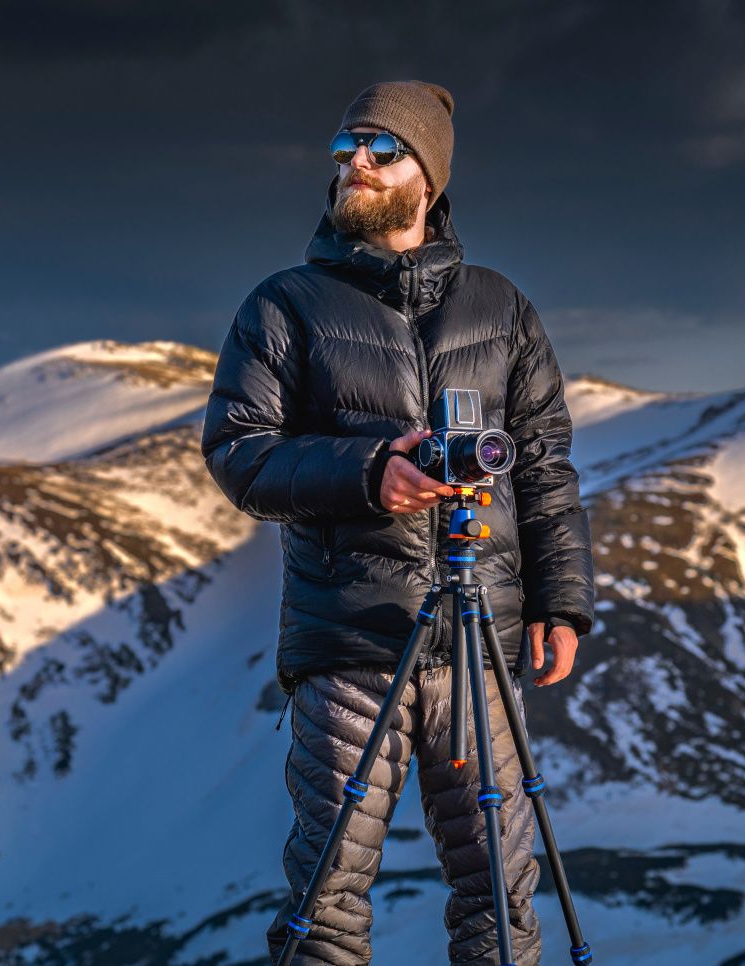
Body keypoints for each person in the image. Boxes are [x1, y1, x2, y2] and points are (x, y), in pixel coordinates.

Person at [200, 80, 594, 966]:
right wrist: (372, 473)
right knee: (328, 890)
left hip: (479, 641)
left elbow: (543, 466)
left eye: (382, 149)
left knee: (499, 888)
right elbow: (239, 453)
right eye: (346, 149)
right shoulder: (284, 305)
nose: (358, 163)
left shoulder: (501, 308)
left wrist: (560, 602)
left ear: (429, 175)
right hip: (350, 638)